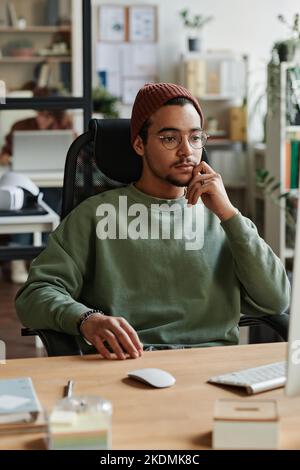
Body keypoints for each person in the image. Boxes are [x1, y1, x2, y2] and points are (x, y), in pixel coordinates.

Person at [15, 82, 290, 360]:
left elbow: (275, 300)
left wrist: (229, 214)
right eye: (170, 138)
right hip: (126, 364)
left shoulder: (223, 217)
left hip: (211, 366)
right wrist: (86, 319)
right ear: (139, 144)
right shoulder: (94, 215)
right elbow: (35, 294)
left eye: (195, 138)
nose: (187, 152)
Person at [0, 104, 73, 283]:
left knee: (52, 200)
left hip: (51, 180)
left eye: (47, 117)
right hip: (25, 178)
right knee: (24, 204)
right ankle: (17, 260)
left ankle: (41, 259)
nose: (42, 119)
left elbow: (76, 155)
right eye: (40, 114)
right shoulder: (21, 125)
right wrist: (8, 156)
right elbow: (4, 155)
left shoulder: (65, 128)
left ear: (55, 118)